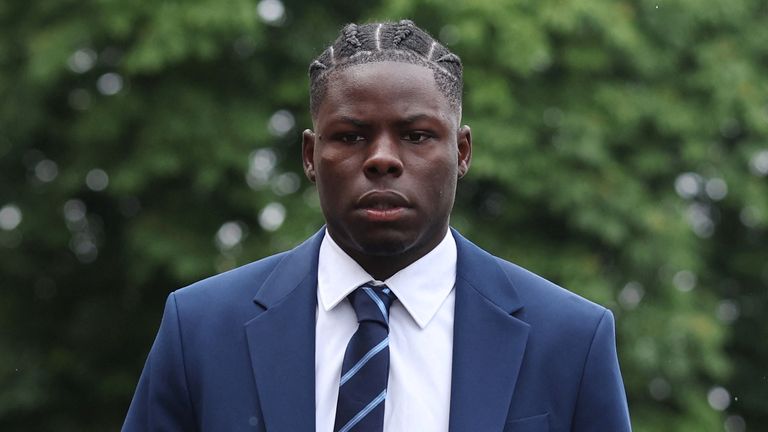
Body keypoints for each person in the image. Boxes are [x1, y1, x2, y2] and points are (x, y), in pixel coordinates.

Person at [123, 20, 631, 432]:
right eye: (350, 135)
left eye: (415, 135)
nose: (383, 159)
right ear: (310, 155)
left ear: (461, 152)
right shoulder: (202, 329)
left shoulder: (569, 339)